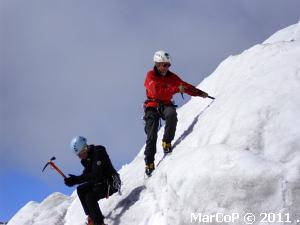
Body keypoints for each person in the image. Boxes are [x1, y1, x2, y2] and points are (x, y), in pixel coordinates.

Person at [143, 50, 210, 176]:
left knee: (172, 115)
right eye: (164, 65)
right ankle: (149, 162)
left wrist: (199, 93)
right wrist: (175, 89)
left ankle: (167, 141)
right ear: (157, 64)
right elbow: (157, 92)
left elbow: (184, 86)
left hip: (165, 105)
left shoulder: (172, 77)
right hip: (152, 106)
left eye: (168, 65)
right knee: (151, 136)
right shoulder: (150, 75)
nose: (167, 67)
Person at [64, 136, 121, 225]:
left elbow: (95, 175)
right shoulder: (87, 159)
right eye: (78, 155)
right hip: (101, 181)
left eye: (80, 154)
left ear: (85, 148)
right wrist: (73, 180)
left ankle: (99, 223)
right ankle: (92, 217)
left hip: (111, 183)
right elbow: (86, 174)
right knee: (80, 190)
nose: (80, 157)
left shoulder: (98, 153)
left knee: (90, 197)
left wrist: (76, 180)